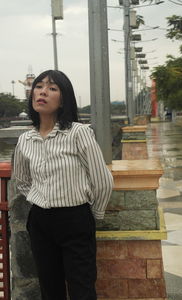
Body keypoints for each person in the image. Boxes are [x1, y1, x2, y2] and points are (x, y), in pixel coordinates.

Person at [13, 70, 113, 300]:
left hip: (75, 219)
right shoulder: (25, 140)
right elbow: (23, 180)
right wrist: (40, 197)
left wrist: (92, 214)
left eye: (52, 88)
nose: (43, 92)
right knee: (50, 289)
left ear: (63, 99)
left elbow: (102, 180)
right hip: (40, 222)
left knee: (82, 288)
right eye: (39, 86)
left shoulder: (79, 133)